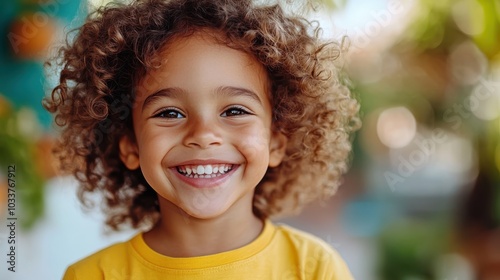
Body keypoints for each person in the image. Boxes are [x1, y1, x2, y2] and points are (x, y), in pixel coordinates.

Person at [44, 0, 360, 278]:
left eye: (235, 110)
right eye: (169, 113)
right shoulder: (93, 275)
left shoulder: (316, 269)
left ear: (276, 141)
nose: (203, 135)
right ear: (130, 146)